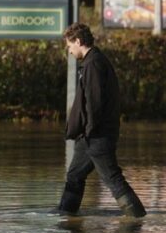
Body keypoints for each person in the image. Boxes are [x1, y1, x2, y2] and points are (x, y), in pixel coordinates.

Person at [57, 22, 146, 218]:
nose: (69, 51)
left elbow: (94, 102)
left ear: (78, 41)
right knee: (74, 176)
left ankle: (137, 217)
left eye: (70, 46)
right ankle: (65, 216)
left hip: (97, 135)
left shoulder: (94, 64)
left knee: (112, 177)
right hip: (90, 136)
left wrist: (89, 130)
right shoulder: (92, 62)